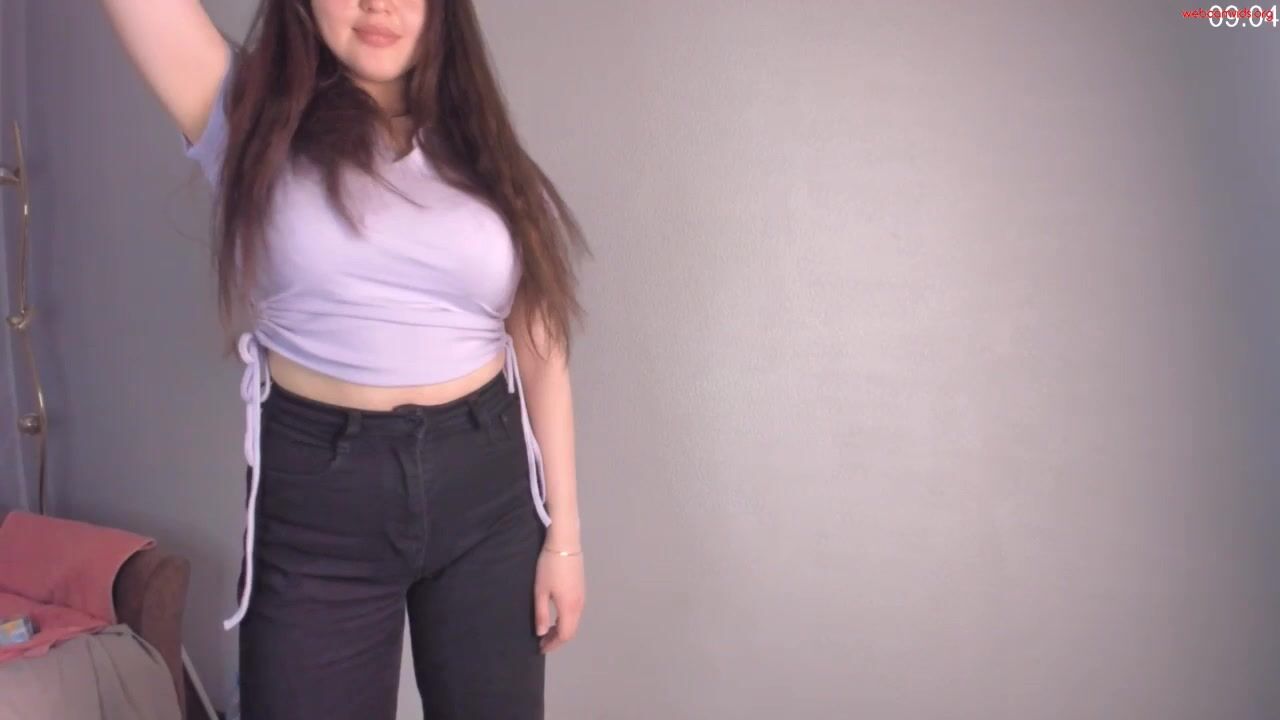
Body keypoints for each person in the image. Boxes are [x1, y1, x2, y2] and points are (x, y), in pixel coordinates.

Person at [98, 1, 589, 717]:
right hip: (319, 506)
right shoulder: (247, 115)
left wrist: (564, 540)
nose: (378, 4)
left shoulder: (486, 151)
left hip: (490, 493)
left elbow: (541, 349)